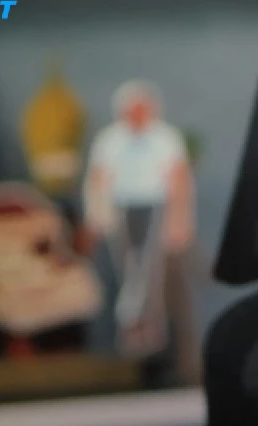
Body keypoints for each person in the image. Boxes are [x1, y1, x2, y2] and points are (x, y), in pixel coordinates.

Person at [83, 79, 194, 359]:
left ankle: (143, 326)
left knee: (148, 267)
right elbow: (98, 179)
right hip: (121, 207)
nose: (138, 115)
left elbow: (179, 180)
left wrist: (179, 219)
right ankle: (131, 327)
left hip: (155, 205)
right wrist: (96, 214)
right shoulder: (110, 140)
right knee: (127, 266)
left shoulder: (165, 138)